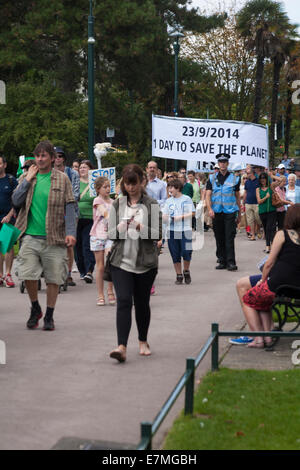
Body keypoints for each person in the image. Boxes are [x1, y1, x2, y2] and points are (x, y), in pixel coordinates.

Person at [12, 140, 76, 331]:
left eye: (43, 156)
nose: (40, 159)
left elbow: (70, 206)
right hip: (29, 235)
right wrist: (28, 180)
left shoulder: (62, 179)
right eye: (37, 156)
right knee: (27, 274)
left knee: (53, 278)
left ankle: (49, 315)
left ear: (51, 158)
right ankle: (35, 308)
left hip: (54, 236)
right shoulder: (26, 176)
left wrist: (71, 233)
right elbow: (15, 201)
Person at [107, 164, 162, 363]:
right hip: (121, 262)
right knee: (123, 300)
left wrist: (139, 225)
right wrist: (121, 227)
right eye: (127, 183)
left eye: (134, 183)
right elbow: (111, 234)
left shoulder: (151, 204)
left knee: (141, 303)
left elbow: (157, 234)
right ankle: (121, 346)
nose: (130, 187)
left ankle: (143, 340)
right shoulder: (117, 204)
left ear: (142, 181)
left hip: (145, 262)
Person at [238, 204, 300, 348]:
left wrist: (262, 280)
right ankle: (267, 335)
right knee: (260, 299)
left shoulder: (283, 234)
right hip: (296, 286)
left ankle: (257, 338)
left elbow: (269, 263)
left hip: (279, 284)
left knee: (248, 299)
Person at [205, 153, 241, 271]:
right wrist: (210, 209)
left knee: (229, 237)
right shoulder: (212, 178)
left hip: (230, 211)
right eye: (221, 162)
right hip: (216, 212)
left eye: (225, 162)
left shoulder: (235, 178)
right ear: (218, 164)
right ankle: (222, 260)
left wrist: (239, 213)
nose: (223, 164)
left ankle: (231, 262)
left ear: (227, 163)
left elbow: (237, 197)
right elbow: (208, 195)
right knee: (219, 236)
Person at [54, 146, 80, 287]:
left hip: (70, 212)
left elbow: (76, 194)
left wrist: (60, 200)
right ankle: (55, 271)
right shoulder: (49, 173)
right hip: (53, 213)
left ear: (63, 158)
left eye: (59, 156)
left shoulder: (72, 173)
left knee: (69, 245)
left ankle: (68, 273)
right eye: (55, 156)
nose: (57, 159)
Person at [163, 178, 194, 284]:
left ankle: (186, 270)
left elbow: (192, 213)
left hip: (185, 229)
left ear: (177, 188)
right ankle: (179, 275)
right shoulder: (168, 201)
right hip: (172, 230)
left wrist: (180, 217)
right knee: (175, 254)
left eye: (171, 188)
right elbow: (164, 214)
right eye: (168, 188)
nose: (169, 190)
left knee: (187, 252)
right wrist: (165, 218)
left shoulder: (187, 199)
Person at [90, 176, 115, 306]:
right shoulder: (97, 200)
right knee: (100, 267)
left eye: (109, 186)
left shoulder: (113, 201)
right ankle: (100, 294)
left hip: (110, 236)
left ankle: (110, 290)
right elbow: (105, 214)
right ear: (98, 189)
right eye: (105, 187)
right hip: (97, 235)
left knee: (110, 263)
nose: (107, 189)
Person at [76, 160, 96, 283]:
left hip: (90, 218)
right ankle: (82, 270)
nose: (82, 169)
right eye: (81, 167)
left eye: (85, 167)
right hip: (76, 218)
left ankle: (89, 270)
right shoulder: (76, 183)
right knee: (77, 247)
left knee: (86, 245)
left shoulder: (94, 184)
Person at [0, 154, 18, 287]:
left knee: (8, 246)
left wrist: (9, 215)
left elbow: (17, 200)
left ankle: (8, 274)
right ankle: (0, 275)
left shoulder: (11, 180)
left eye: (0, 163)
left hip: (8, 218)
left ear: (4, 165)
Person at [256, 172, 277, 254]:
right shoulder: (258, 189)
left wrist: (272, 175)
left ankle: (269, 246)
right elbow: (259, 201)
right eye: (261, 178)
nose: (263, 180)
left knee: (269, 228)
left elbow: (282, 180)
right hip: (262, 212)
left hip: (271, 211)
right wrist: (266, 197)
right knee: (266, 229)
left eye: (264, 178)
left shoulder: (270, 187)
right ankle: (269, 245)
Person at [243, 167, 260, 240]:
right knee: (250, 220)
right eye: (246, 173)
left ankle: (258, 230)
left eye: (248, 173)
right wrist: (243, 202)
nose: (247, 174)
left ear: (252, 173)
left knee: (258, 219)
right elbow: (245, 192)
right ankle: (253, 235)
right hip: (248, 203)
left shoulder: (258, 181)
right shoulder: (247, 182)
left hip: (257, 203)